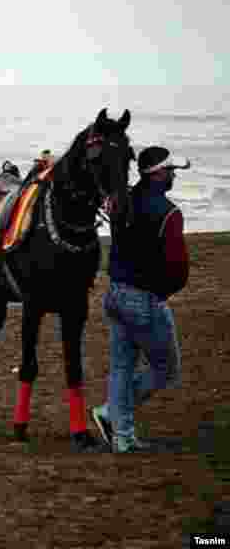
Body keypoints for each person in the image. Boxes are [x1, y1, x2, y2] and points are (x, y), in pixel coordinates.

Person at [90, 146, 190, 453]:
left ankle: (122, 436)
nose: (174, 174)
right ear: (158, 173)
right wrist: (164, 292)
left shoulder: (121, 202)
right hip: (145, 298)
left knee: (122, 366)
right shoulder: (169, 212)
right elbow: (177, 267)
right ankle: (110, 414)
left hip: (116, 292)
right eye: (171, 170)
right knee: (166, 368)